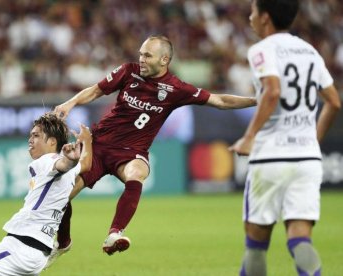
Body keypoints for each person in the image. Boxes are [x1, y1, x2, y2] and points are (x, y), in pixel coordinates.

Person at [49, 35, 257, 262]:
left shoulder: (176, 89)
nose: (142, 59)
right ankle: (64, 242)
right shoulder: (129, 71)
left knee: (136, 173)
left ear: (164, 59)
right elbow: (97, 90)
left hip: (131, 152)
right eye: (141, 54)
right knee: (61, 197)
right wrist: (70, 103)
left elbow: (220, 101)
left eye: (147, 55)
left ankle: (115, 233)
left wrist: (258, 100)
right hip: (98, 145)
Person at [229, 1, 341, 275]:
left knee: (256, 244)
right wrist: (312, 140)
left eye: (253, 11)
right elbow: (334, 102)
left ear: (265, 17)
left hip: (271, 156)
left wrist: (249, 136)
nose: (250, 17)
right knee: (300, 240)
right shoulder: (310, 52)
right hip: (307, 159)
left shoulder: (261, 50)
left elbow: (272, 91)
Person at [0, 114, 92, 276]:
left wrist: (69, 161)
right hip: (35, 251)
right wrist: (87, 141)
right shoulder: (71, 170)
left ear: (52, 142)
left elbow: (61, 164)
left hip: (22, 247)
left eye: (36, 136)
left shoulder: (47, 161)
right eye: (30, 136)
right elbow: (85, 164)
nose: (30, 140)